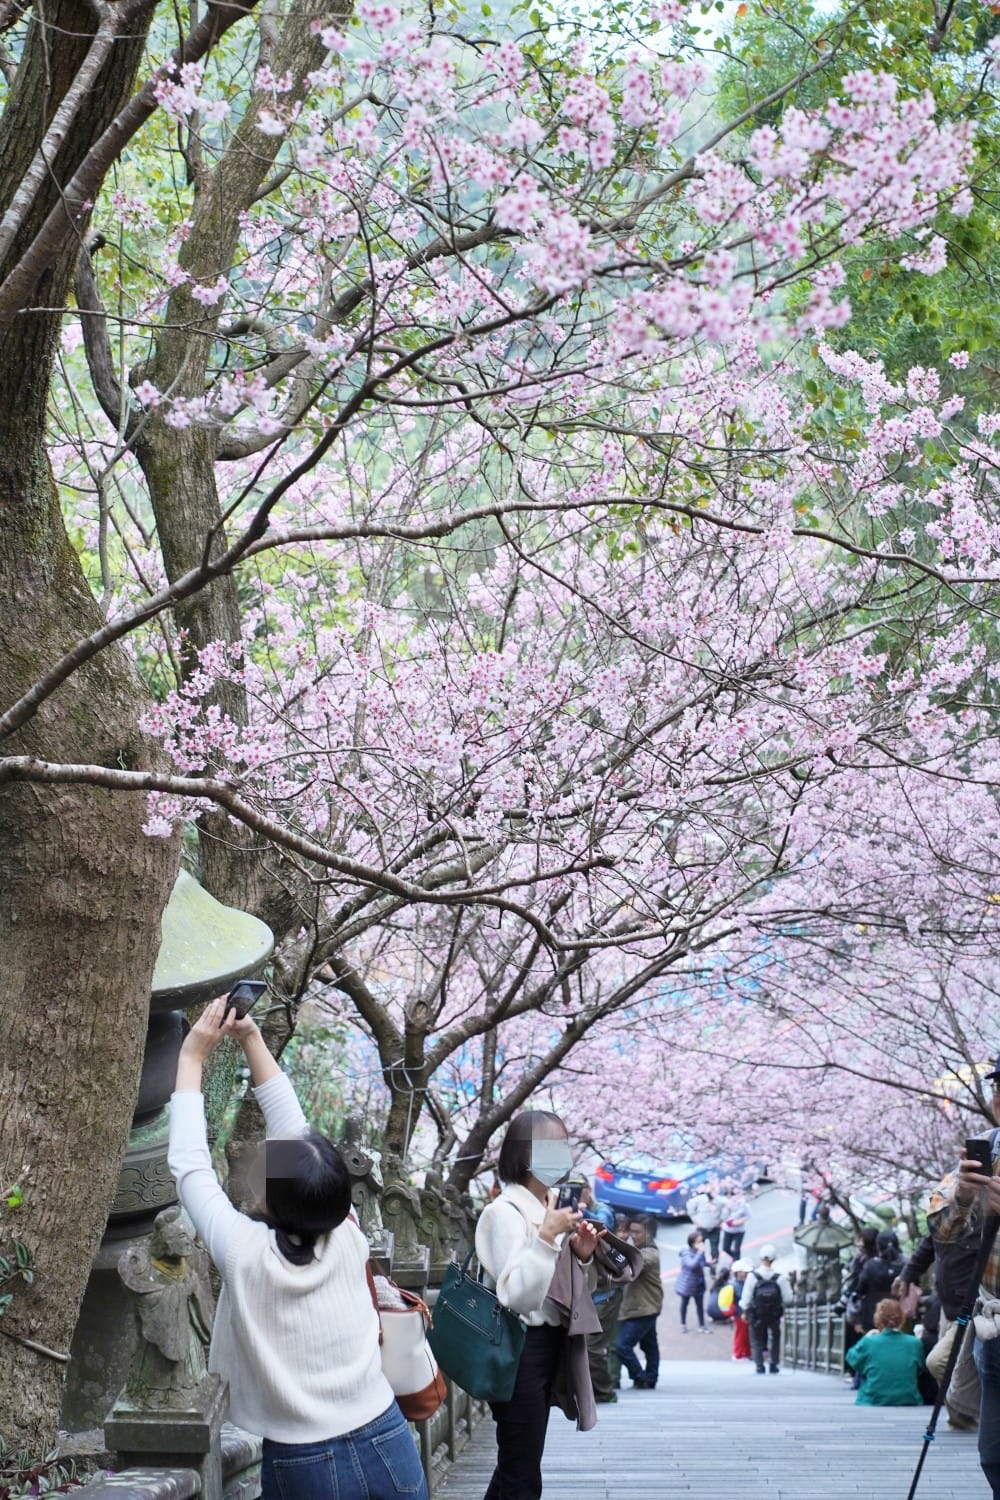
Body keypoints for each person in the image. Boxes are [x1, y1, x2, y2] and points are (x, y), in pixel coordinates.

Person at [167, 996, 429, 1500]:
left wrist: (191, 1057)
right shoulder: (346, 1230)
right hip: (389, 1438)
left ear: (268, 1200)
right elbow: (295, 1132)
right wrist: (251, 1038)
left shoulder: (244, 1252)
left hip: (304, 1462)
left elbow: (190, 1167)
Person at [475, 1110, 603, 1499]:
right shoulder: (503, 1214)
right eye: (552, 1146)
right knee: (522, 1472)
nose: (561, 1154)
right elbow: (516, 1296)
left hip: (549, 1344)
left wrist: (581, 1255)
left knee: (517, 1463)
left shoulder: (552, 1211)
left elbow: (569, 1292)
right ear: (525, 1153)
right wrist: (546, 1239)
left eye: (563, 1146)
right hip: (517, 1348)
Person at [928, 1065, 1000, 1497]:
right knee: (993, 1453)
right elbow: (940, 1230)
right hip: (993, 1325)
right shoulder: (988, 1149)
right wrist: (966, 1195)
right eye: (998, 1088)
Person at [894, 1182, 981, 1429]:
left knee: (940, 1362)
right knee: (953, 1366)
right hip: (948, 1305)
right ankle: (962, 1419)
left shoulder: (982, 1213)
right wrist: (908, 1274)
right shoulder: (945, 1220)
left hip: (972, 1306)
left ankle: (982, 1417)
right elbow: (927, 1244)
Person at [579, 1185, 621, 1402]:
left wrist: (582, 1211)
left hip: (605, 1290)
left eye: (579, 1188)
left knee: (593, 1346)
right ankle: (594, 1390)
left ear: (587, 1189)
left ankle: (605, 1392)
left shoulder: (601, 1209)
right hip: (585, 1291)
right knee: (585, 1345)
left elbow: (604, 1225)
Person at [845, 1298, 925, 1406]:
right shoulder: (915, 1342)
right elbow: (920, 1368)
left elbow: (851, 1358)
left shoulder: (870, 1341)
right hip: (909, 1398)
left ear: (878, 1318)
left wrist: (865, 1338)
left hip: (873, 1399)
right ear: (902, 1318)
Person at [614, 1216, 663, 1389]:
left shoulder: (649, 1254)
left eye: (637, 1232)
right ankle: (650, 1377)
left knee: (622, 1345)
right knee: (649, 1344)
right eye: (631, 1231)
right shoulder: (641, 1251)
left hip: (644, 1307)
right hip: (645, 1306)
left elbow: (629, 1263)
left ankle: (640, 1376)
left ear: (648, 1233)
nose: (632, 1236)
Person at [740, 1243, 792, 1374]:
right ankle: (773, 1363)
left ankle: (759, 1365)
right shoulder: (780, 1277)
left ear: (760, 1258)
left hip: (757, 1313)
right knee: (775, 1337)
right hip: (774, 1314)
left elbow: (746, 1297)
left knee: (756, 1338)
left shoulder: (753, 1276)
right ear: (774, 1259)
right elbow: (788, 1298)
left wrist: (745, 1311)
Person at [676, 1229, 710, 1333]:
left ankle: (702, 1325)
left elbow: (701, 1263)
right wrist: (700, 1252)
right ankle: (683, 1324)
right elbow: (691, 1265)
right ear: (692, 1242)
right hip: (688, 1283)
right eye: (699, 1242)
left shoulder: (700, 1251)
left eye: (702, 1241)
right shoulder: (686, 1251)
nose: (701, 1244)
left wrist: (710, 1263)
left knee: (700, 1305)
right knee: (684, 1303)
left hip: (699, 1282)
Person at [687, 1187, 722, 1262]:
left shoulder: (719, 1200)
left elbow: (727, 1209)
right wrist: (695, 1221)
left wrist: (721, 1221)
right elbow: (690, 1209)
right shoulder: (699, 1199)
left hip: (715, 1229)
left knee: (714, 1249)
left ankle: (714, 1264)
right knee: (699, 1247)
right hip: (702, 1229)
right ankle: (701, 1263)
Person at [730, 1259, 753, 1361]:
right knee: (741, 1334)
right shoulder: (737, 1285)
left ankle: (745, 1353)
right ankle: (738, 1354)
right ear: (738, 1273)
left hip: (741, 1314)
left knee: (744, 1334)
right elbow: (742, 1298)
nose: (746, 1273)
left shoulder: (739, 1283)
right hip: (740, 1314)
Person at [721, 1188, 750, 1259]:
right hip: (728, 1230)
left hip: (739, 1230)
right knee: (725, 1248)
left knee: (737, 1249)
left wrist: (741, 1221)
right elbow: (723, 1217)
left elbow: (749, 1216)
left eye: (734, 1195)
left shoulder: (743, 1204)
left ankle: (737, 1262)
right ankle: (735, 1258)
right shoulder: (725, 1204)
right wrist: (727, 1209)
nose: (732, 1198)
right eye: (729, 1195)